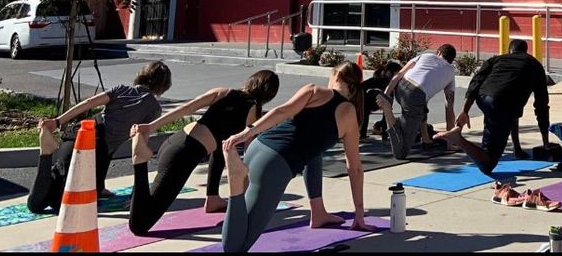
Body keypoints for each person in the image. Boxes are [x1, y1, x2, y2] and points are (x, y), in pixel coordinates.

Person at [220, 63, 372, 252]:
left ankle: (318, 213)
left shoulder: (314, 90)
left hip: (259, 147)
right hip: (273, 165)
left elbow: (281, 111)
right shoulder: (350, 114)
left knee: (243, 216)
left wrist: (247, 133)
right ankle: (235, 182)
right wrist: (359, 213)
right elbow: (354, 168)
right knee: (236, 248)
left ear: (336, 76)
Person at [126, 70, 280, 233]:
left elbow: (188, 108)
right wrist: (248, 196)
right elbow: (249, 156)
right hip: (183, 155)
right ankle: (140, 161)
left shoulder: (222, 92)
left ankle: (213, 198)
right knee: (139, 225)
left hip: (175, 142)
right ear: (269, 95)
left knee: (149, 201)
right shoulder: (254, 112)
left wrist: (151, 127)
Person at [28, 61, 172, 212]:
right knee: (64, 204)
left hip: (78, 133)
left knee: (43, 194)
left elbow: (89, 103)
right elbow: (140, 149)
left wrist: (57, 121)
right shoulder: (154, 109)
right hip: (94, 147)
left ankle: (46, 153)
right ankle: (48, 155)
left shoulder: (121, 89)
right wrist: (135, 196)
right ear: (163, 85)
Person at [437, 39, 550, 174]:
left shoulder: (497, 59)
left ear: (509, 51)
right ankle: (458, 139)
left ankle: (513, 149)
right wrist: (545, 142)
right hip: (503, 104)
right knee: (488, 164)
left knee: (501, 115)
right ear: (526, 52)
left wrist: (465, 111)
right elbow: (541, 105)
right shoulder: (535, 65)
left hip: (484, 98)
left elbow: (476, 81)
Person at [374, 44, 458, 159]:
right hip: (415, 97)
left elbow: (398, 76)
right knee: (401, 153)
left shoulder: (425, 56)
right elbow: (449, 109)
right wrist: (450, 143)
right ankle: (390, 114)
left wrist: (386, 95)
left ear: (438, 52)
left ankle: (426, 139)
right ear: (451, 60)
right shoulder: (450, 72)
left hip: (401, 87)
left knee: (423, 106)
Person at [359, 61, 401, 139]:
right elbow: (386, 112)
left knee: (366, 112)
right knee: (366, 111)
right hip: (363, 100)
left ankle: (363, 134)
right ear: (390, 73)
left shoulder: (380, 79)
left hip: (366, 101)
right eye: (398, 73)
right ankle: (363, 134)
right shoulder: (386, 83)